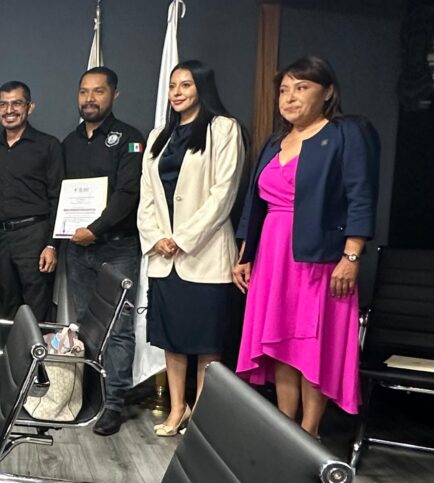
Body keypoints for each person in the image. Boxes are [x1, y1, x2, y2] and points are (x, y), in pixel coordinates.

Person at [234, 56, 379, 437]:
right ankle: (286, 430)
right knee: (281, 341)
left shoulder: (346, 133)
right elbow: (254, 204)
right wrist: (245, 255)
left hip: (320, 257)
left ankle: (310, 431)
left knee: (311, 344)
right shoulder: (274, 142)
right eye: (284, 90)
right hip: (273, 256)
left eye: (302, 88)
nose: (290, 98)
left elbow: (361, 197)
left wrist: (351, 257)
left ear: (327, 92)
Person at [137, 61, 246, 437]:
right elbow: (147, 196)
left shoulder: (223, 128)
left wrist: (182, 238)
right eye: (172, 86)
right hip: (164, 257)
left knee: (206, 343)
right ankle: (176, 409)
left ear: (202, 87)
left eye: (185, 84)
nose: (177, 92)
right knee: (172, 340)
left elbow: (223, 193)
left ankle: (202, 416)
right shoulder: (158, 136)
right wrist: (156, 237)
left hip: (204, 253)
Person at [60, 66, 146, 436]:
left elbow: (128, 194)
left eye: (98, 91)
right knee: (86, 324)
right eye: (84, 91)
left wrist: (94, 229)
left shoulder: (130, 139)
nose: (89, 98)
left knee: (119, 327)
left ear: (114, 95)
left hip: (117, 246)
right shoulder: (69, 143)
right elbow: (61, 194)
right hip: (77, 249)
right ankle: (92, 394)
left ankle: (115, 403)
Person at [0, 80, 63, 321]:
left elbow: (57, 196)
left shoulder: (48, 145)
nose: (9, 110)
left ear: (30, 107)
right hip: (0, 237)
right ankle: (13, 349)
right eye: (3, 104)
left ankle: (38, 349)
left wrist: (52, 245)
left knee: (37, 308)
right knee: (7, 307)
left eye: (17, 103)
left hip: (35, 236)